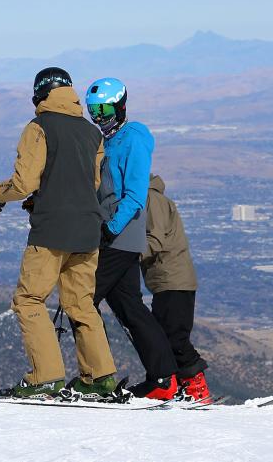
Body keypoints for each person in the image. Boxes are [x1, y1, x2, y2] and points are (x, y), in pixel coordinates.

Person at [0, 67, 118, 401]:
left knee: (29, 299)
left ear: (39, 94)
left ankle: (45, 377)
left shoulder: (39, 127)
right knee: (81, 303)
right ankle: (100, 376)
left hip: (52, 231)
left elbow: (24, 183)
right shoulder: (92, 134)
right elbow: (90, 183)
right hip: (88, 229)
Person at [85, 78, 179, 400]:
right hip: (112, 234)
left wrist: (111, 228)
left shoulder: (133, 140)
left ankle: (98, 376)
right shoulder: (106, 141)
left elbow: (136, 194)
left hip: (119, 237)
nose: (100, 117)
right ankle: (163, 378)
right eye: (94, 110)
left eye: (105, 109)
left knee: (82, 299)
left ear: (121, 106)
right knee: (129, 307)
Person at [141, 173, 211, 401]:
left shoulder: (152, 199)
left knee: (175, 336)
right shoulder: (150, 198)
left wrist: (125, 255)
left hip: (173, 279)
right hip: (166, 280)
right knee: (164, 334)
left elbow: (156, 240)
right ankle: (179, 385)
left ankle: (196, 387)